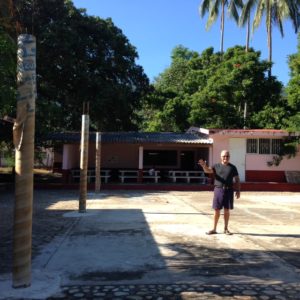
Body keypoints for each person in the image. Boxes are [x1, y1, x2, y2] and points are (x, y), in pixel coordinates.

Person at [198, 150, 241, 235]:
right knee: (217, 210)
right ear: (221, 157)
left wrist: (238, 190)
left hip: (229, 190)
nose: (225, 158)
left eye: (227, 156)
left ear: (229, 157)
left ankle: (225, 229)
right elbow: (208, 171)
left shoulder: (233, 167)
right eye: (224, 156)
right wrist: (204, 166)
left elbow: (237, 179)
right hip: (218, 190)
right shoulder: (216, 166)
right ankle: (214, 229)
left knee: (226, 210)